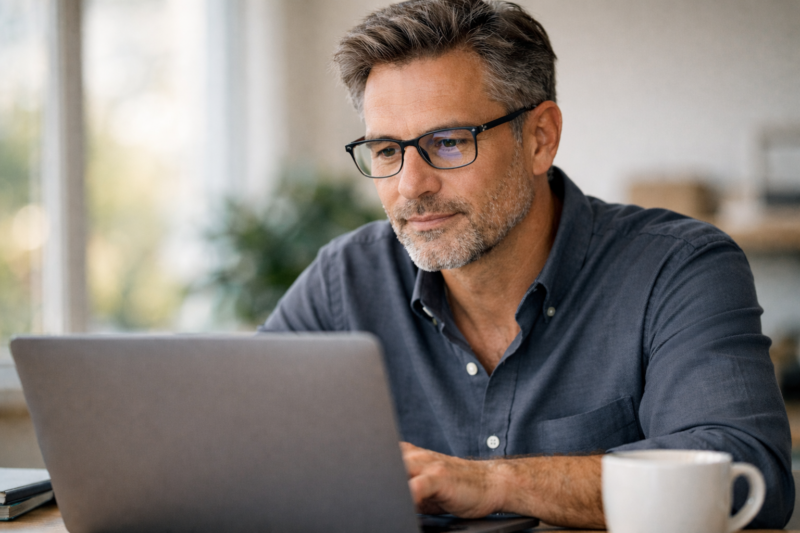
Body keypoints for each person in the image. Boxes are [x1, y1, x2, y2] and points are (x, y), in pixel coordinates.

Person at [259, 0, 793, 528]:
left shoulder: (676, 269)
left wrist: (492, 483)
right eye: (385, 151)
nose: (410, 185)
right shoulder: (345, 281)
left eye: (447, 143)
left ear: (540, 138)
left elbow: (748, 474)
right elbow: (240, 445)